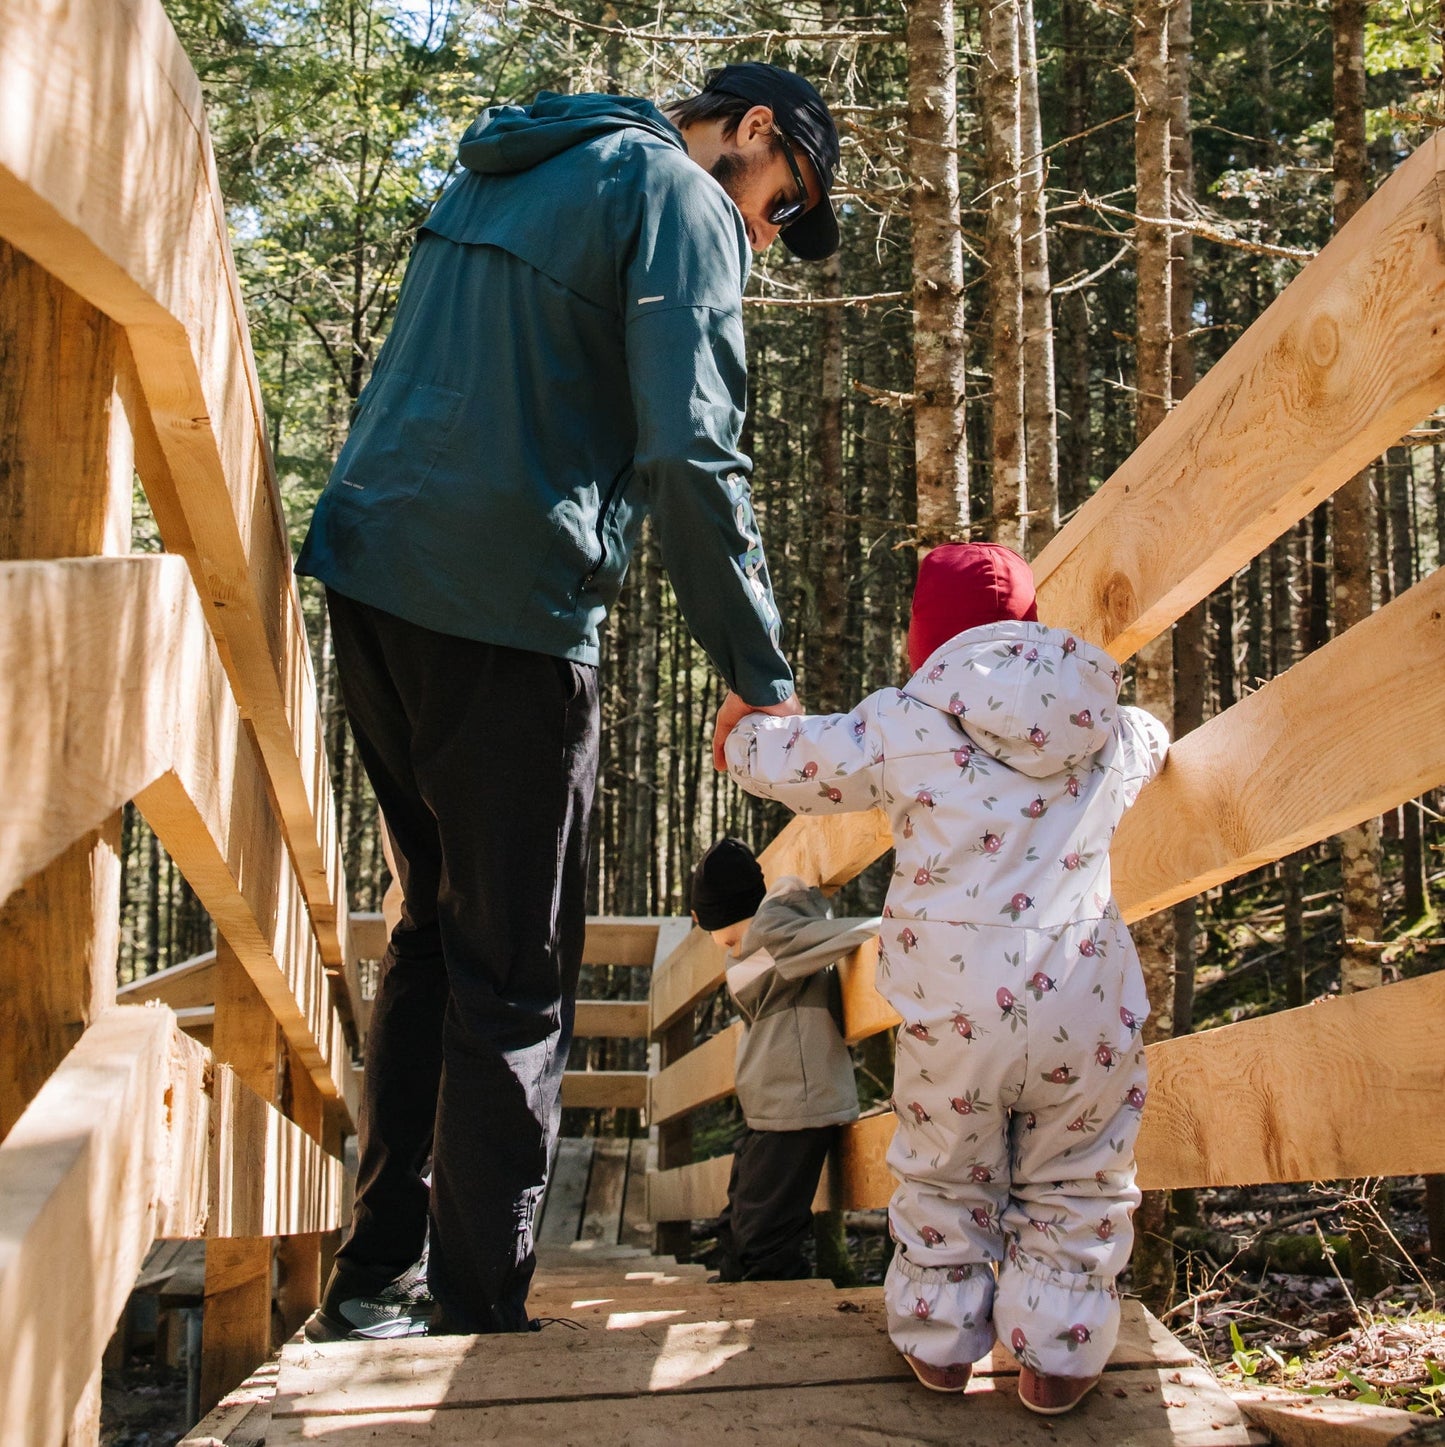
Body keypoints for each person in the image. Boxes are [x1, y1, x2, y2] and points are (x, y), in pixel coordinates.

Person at [295, 62, 841, 1340]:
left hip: (374, 575)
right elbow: (690, 449)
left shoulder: (516, 160)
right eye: (781, 198)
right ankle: (474, 1306)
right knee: (518, 966)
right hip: (504, 610)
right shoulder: (679, 199)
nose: (765, 230)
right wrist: (762, 679)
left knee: (433, 927)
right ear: (749, 133)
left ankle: (373, 1278)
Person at [721, 542, 1170, 1415]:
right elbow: (1153, 740)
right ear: (1028, 626)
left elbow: (792, 762)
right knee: (1079, 1174)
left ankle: (940, 1340)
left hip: (958, 1011)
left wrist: (741, 729)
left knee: (944, 1169)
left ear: (922, 641)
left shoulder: (902, 720)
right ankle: (1056, 1359)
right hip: (1085, 995)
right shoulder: (1102, 722)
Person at [689, 838, 878, 1281]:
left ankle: (773, 1305)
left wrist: (900, 926)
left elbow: (854, 932)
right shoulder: (758, 947)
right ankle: (739, 1281)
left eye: (712, 926)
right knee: (742, 1208)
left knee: (765, 1225)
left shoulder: (771, 935)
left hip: (795, 1104)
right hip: (774, 1105)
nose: (720, 944)